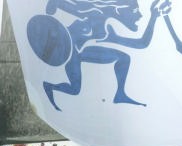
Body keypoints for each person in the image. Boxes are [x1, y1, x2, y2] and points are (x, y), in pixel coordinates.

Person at [40, 0, 173, 110]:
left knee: (124, 58)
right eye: (134, 11)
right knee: (75, 89)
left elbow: (141, 44)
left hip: (82, 53)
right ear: (118, 10)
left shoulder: (108, 32)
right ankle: (49, 86)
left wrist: (153, 17)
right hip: (69, 54)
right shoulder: (95, 13)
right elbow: (57, 4)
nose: (139, 15)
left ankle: (120, 94)